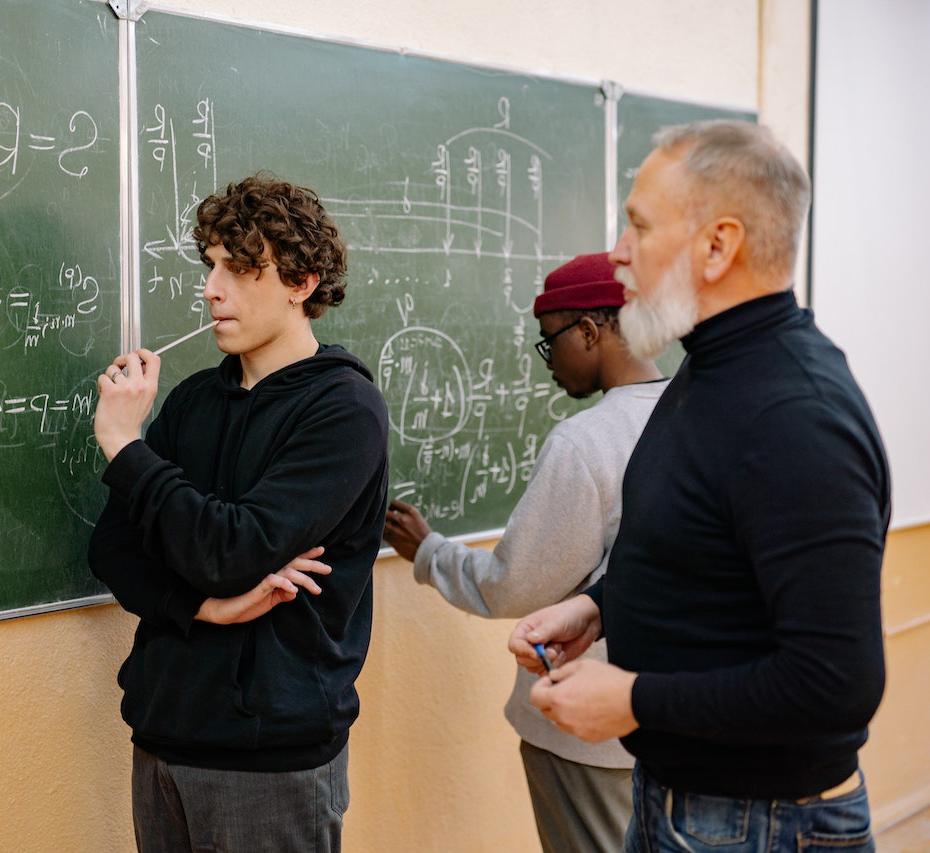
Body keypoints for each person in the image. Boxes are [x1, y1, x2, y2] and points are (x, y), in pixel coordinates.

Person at [509, 120, 889, 852]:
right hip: (684, 803)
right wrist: (597, 608)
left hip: (762, 823)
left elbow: (835, 682)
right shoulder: (710, 370)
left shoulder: (795, 413)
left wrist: (631, 698)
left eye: (638, 226)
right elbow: (703, 548)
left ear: (718, 245)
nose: (618, 252)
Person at [89, 175, 389, 853]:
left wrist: (125, 445)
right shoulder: (194, 401)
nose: (211, 288)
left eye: (239, 267)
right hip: (163, 737)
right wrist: (202, 607)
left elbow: (231, 552)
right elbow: (111, 547)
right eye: (211, 265)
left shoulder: (342, 410)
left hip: (270, 760)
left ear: (301, 282)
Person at [384, 252, 668, 852]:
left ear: (590, 330)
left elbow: (516, 585)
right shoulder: (694, 412)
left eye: (551, 341)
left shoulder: (587, 442)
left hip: (584, 730)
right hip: (669, 718)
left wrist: (428, 551)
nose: (549, 363)